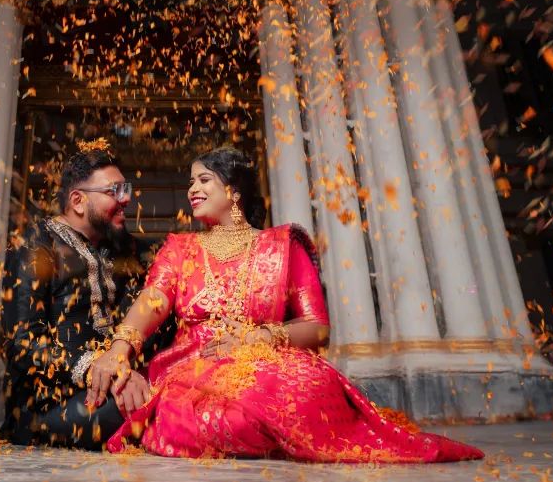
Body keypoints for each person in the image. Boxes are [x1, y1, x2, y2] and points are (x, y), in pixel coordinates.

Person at [85, 146, 484, 463]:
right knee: (203, 417)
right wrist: (119, 351)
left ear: (234, 190)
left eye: (204, 180)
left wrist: (257, 338)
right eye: (191, 181)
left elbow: (318, 327)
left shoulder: (281, 245)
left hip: (266, 360)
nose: (193, 189)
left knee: (312, 390)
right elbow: (150, 304)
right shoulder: (180, 249)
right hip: (196, 365)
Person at [0, 140, 155, 449]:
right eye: (114, 192)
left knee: (173, 391)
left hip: (117, 383)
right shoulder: (34, 247)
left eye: (126, 190)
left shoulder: (123, 248)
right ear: (78, 201)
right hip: (49, 403)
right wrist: (98, 370)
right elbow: (23, 344)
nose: (125, 200)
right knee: (148, 410)